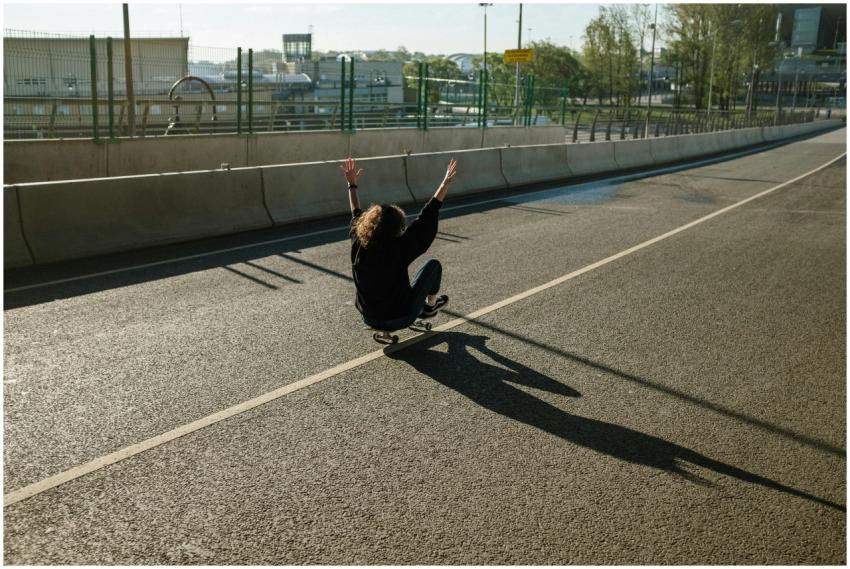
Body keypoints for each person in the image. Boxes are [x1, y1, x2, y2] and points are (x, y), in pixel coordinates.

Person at [341, 157, 458, 331]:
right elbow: (428, 214)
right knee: (433, 266)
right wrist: (445, 184)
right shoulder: (400, 247)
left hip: (369, 317)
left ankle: (419, 308)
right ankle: (430, 307)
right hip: (400, 317)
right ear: (397, 227)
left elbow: (355, 213)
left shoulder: (359, 243)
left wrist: (352, 184)